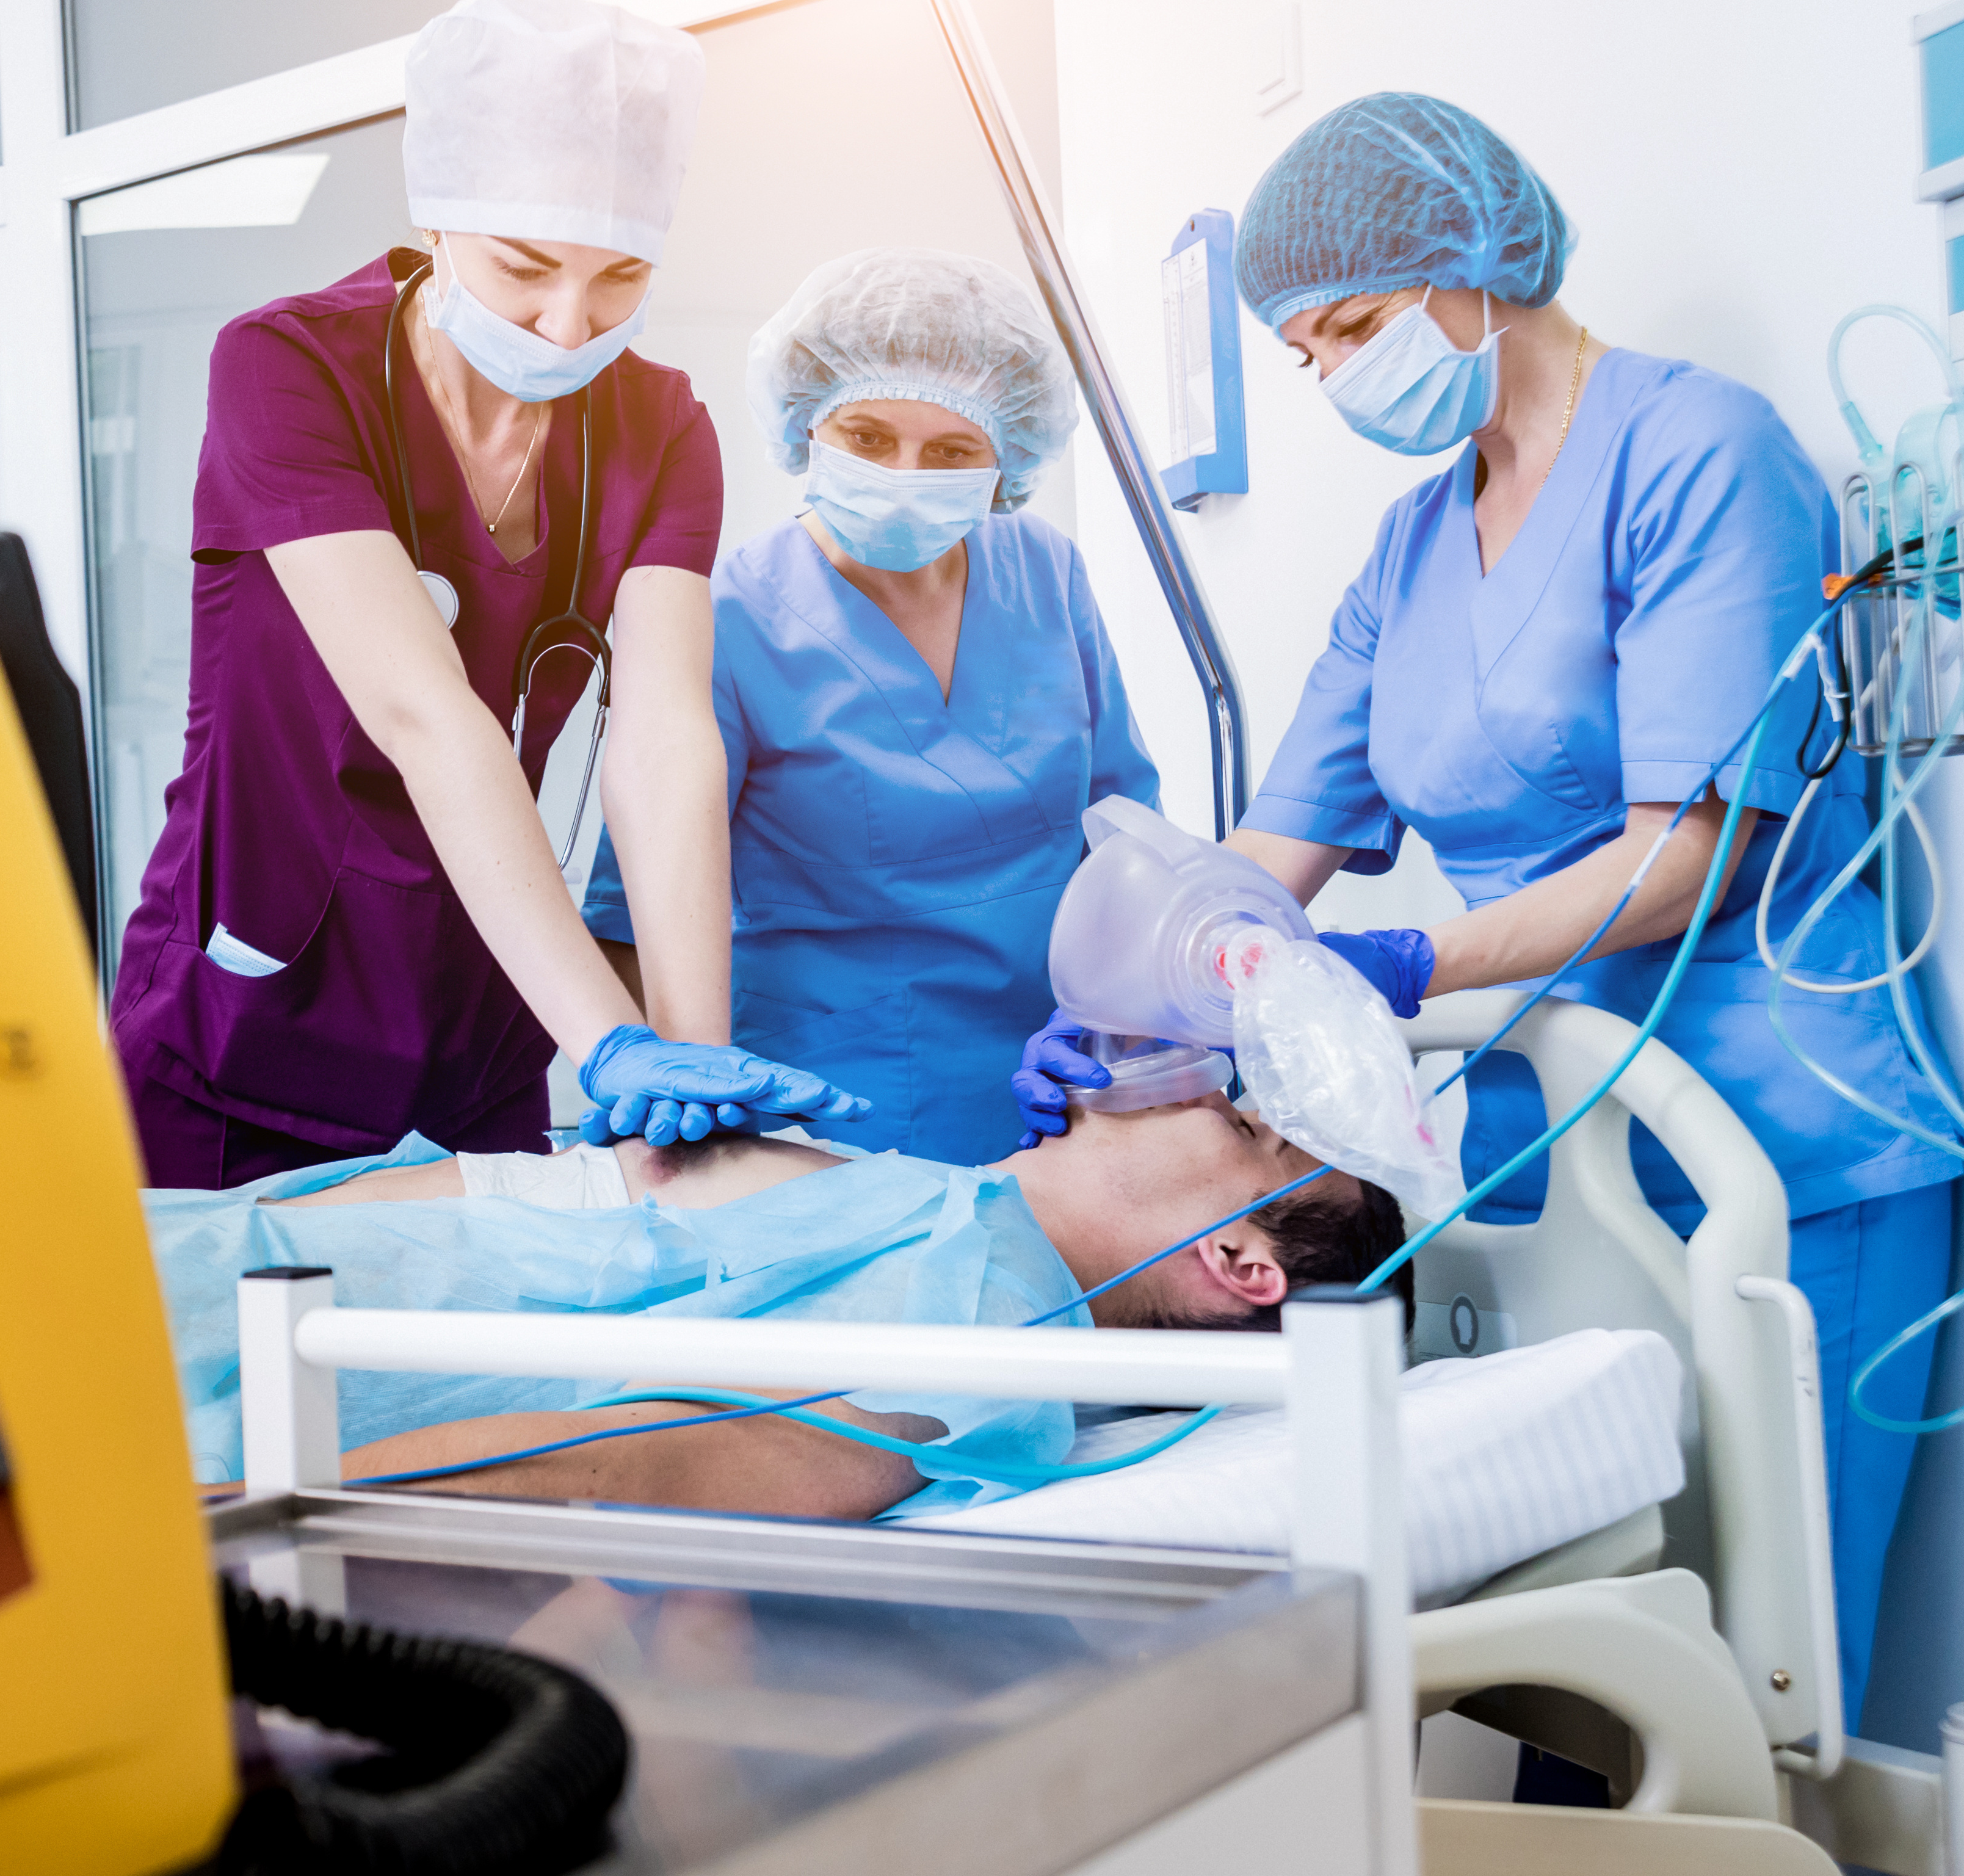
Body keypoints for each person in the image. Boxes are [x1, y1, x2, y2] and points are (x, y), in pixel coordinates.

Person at [1027, 94, 1958, 1728]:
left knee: (1777, 1667)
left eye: (1353, 329)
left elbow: (1693, 852)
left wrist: (1401, 965)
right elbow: (1259, 861)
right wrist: (1120, 1016)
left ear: (1471, 255)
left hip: (1787, 1139)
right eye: (1305, 353)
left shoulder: (1698, 453)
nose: (1335, 378)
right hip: (1552, 1153)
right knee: (1596, 1655)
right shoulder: (1408, 551)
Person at [108, 0, 863, 1188]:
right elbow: (427, 718)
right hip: (246, 1028)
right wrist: (610, 1037)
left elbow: (665, 742)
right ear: (436, 210)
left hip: (483, 1030)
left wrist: (694, 1064)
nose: (568, 325)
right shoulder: (289, 368)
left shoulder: (662, 426)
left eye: (620, 277)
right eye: (523, 267)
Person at [148, 1091, 1405, 1518]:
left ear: (1239, 1259)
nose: (1204, 1087)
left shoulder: (993, 1332)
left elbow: (636, 1465)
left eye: (1246, 1127)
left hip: (184, 1381)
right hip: (185, 1252)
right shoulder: (948, 1205)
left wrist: (217, 1527)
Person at [581, 248, 1160, 1162]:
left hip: (1066, 1090)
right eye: (868, 437)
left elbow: (1125, 831)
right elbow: (631, 915)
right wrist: (667, 1115)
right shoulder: (726, 617)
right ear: (808, 422)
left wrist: (1152, 1014)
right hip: (831, 1119)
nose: (904, 473)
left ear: (1008, 455)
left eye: (953, 451)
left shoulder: (1047, 571)